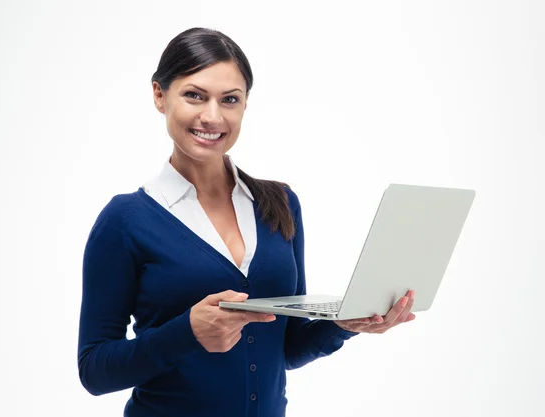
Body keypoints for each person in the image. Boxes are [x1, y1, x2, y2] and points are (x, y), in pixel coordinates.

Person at [77, 27, 416, 417]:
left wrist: (345, 323)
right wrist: (186, 333)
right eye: (194, 95)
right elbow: (94, 370)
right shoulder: (125, 221)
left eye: (230, 100)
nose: (212, 116)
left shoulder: (280, 204)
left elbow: (286, 347)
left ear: (245, 104)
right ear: (159, 95)